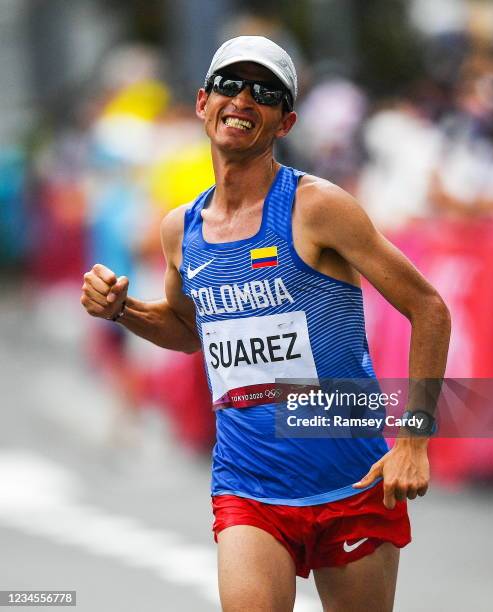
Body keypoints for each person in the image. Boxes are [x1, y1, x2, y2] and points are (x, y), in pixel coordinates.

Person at [81, 36, 451, 612]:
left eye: (266, 92)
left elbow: (428, 307)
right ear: (204, 102)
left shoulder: (317, 207)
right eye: (230, 85)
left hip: (350, 480)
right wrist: (122, 310)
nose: (244, 100)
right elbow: (187, 330)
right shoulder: (182, 230)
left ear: (285, 121)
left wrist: (413, 439)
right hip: (247, 486)